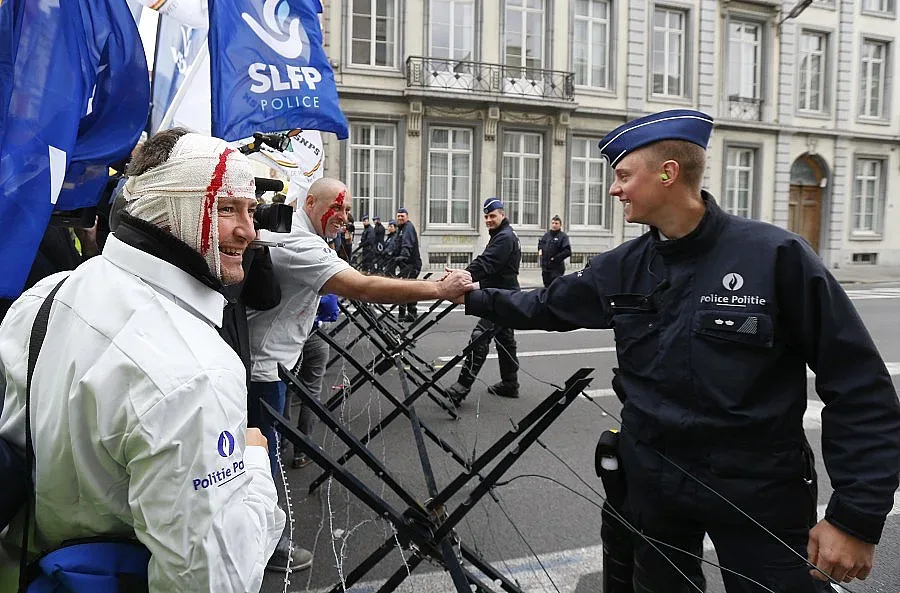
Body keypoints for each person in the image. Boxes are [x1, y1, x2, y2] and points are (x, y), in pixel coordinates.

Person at [458, 109, 900, 592]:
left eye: (624, 176)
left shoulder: (776, 257)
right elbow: (546, 305)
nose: (614, 189)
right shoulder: (624, 265)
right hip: (654, 486)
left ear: (667, 174)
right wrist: (468, 295)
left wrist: (855, 517)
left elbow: (858, 385)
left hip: (759, 494)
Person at [0, 129, 285, 591]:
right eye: (226, 207)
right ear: (167, 211)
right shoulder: (196, 374)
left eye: (251, 210)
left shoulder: (45, 295)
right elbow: (214, 582)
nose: (249, 232)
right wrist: (253, 464)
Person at [245, 178, 471, 567]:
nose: (345, 217)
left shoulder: (300, 235)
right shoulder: (302, 244)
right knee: (263, 457)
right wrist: (437, 290)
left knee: (262, 452)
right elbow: (363, 287)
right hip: (263, 370)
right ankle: (272, 547)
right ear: (310, 202)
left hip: (266, 363)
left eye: (348, 211)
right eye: (339, 207)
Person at [446, 198, 522, 403]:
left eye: (492, 216)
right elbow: (493, 268)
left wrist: (463, 275)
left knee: (480, 336)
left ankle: (460, 388)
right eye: (486, 217)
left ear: (502, 215)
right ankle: (510, 383)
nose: (489, 220)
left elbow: (486, 263)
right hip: (505, 293)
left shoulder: (504, 237)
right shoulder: (502, 234)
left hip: (502, 297)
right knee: (505, 340)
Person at [286, 293, 339, 469]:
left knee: (284, 388)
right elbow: (332, 309)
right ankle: (302, 451)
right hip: (313, 333)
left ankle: (280, 439)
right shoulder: (316, 266)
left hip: (284, 333)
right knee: (312, 392)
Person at [392, 207, 422, 322]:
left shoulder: (408, 228)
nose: (400, 218)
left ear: (407, 217)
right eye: (398, 216)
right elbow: (397, 244)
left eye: (402, 216)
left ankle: (411, 313)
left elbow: (407, 244)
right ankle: (404, 313)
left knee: (407, 289)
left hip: (412, 263)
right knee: (406, 288)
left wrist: (402, 256)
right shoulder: (401, 228)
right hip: (405, 264)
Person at [537, 214, 571, 287]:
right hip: (545, 267)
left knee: (554, 287)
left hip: (556, 268)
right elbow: (541, 243)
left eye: (556, 223)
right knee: (546, 287)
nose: (554, 225)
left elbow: (567, 251)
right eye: (553, 223)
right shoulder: (547, 235)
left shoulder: (563, 236)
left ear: (560, 225)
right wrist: (540, 251)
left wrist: (555, 258)